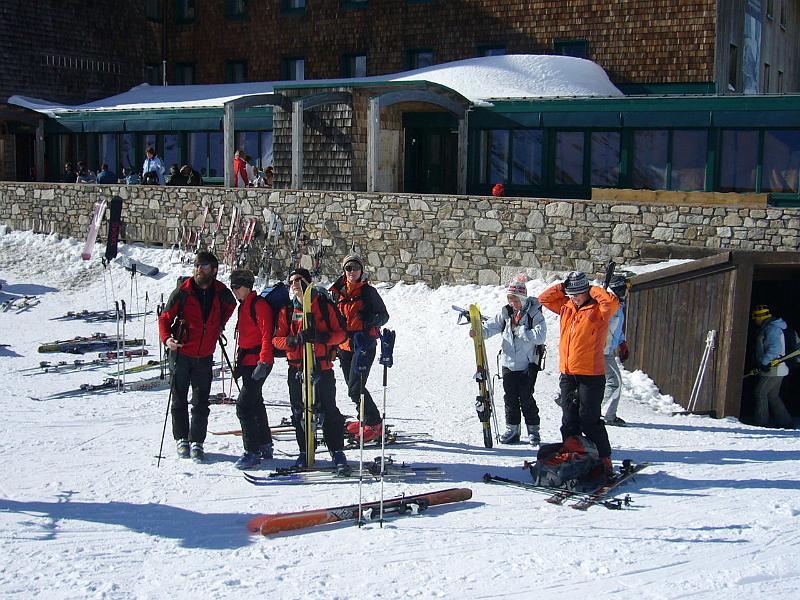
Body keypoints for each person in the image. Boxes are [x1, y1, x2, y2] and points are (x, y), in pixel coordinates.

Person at [539, 271, 620, 477]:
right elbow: (544, 299)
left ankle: (604, 458)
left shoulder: (599, 310)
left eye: (577, 293)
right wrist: (564, 286)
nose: (573, 297)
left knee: (589, 419)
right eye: (571, 293)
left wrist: (593, 289)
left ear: (586, 292)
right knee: (569, 419)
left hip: (591, 374)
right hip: (568, 372)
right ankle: (574, 455)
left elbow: (612, 304)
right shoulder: (566, 307)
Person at [158, 251, 237, 461]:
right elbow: (165, 318)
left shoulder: (221, 292)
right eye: (196, 265)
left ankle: (197, 441)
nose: (198, 269)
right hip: (182, 353)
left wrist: (219, 325)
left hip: (205, 355)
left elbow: (232, 305)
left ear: (213, 270)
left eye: (203, 266)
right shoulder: (182, 292)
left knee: (201, 402)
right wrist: (167, 339)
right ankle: (181, 438)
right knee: (179, 399)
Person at [273, 267, 349, 472]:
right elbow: (276, 340)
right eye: (291, 281)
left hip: (322, 367)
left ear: (308, 283)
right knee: (299, 412)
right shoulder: (287, 311)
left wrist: (322, 337)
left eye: (299, 280)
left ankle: (337, 451)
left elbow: (342, 334)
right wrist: (295, 340)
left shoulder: (324, 306)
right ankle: (305, 450)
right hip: (297, 368)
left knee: (329, 410)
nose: (294, 284)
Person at [474, 277, 547, 445]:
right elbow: (491, 326)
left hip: (528, 363)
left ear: (522, 298)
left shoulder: (534, 314)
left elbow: (540, 336)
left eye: (514, 299)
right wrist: (479, 332)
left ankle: (533, 430)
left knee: (526, 397)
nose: (512, 302)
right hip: (508, 363)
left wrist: (522, 331)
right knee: (510, 398)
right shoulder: (506, 313)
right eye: (509, 299)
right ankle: (512, 429)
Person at [329, 254, 389, 442]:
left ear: (361, 270)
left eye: (355, 268)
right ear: (344, 270)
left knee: (355, 388)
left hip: (364, 343)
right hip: (344, 345)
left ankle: (374, 424)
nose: (352, 272)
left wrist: (371, 320)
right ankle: (364, 419)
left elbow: (384, 316)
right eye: (348, 268)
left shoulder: (368, 292)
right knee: (353, 385)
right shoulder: (337, 292)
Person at [229, 269, 275, 469]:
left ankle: (252, 451)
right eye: (233, 287)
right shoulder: (244, 305)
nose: (235, 291)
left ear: (247, 286)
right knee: (255, 403)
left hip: (259, 362)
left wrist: (264, 362)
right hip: (248, 361)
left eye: (237, 287)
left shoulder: (259, 305)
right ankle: (265, 444)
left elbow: (267, 334)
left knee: (243, 406)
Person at [750, 304, 793, 428]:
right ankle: (786, 422)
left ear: (761, 317)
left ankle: (761, 423)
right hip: (778, 369)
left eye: (756, 318)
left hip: (774, 368)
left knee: (760, 393)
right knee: (772, 395)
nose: (755, 321)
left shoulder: (772, 329)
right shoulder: (770, 328)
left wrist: (764, 362)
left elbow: (774, 349)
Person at [601, 275, 630, 426]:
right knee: (615, 382)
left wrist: (622, 342)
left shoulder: (618, 305)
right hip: (602, 351)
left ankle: (600, 413)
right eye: (626, 287)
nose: (627, 291)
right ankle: (606, 414)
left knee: (605, 382)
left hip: (607, 349)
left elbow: (616, 329)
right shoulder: (609, 305)